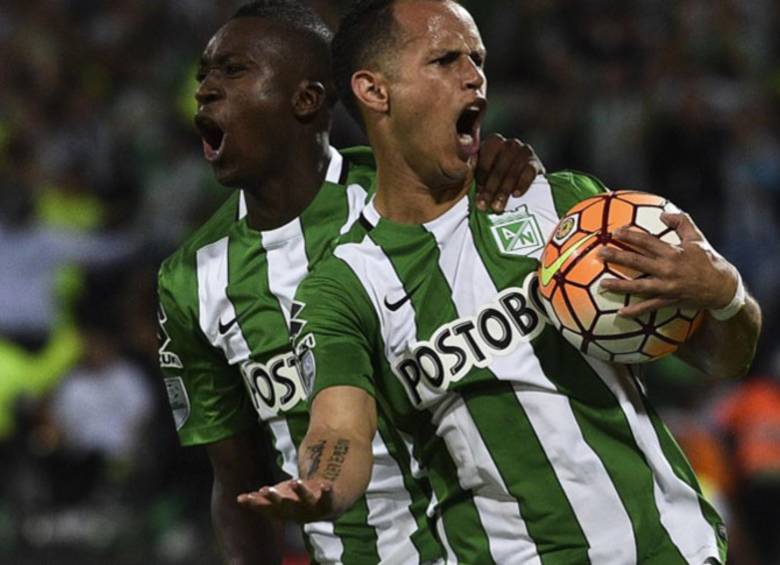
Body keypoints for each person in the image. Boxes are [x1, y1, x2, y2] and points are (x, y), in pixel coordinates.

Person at [238, 1, 762, 563]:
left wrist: (725, 294)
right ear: (374, 90)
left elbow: (724, 357)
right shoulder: (342, 286)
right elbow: (339, 428)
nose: (474, 76)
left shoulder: (565, 205)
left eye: (478, 59)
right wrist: (322, 484)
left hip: (673, 549)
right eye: (445, 59)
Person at [156, 1, 544, 563]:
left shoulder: (412, 194)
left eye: (232, 71)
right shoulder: (190, 280)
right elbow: (236, 477)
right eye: (204, 75)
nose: (205, 90)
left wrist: (511, 167)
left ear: (307, 99)